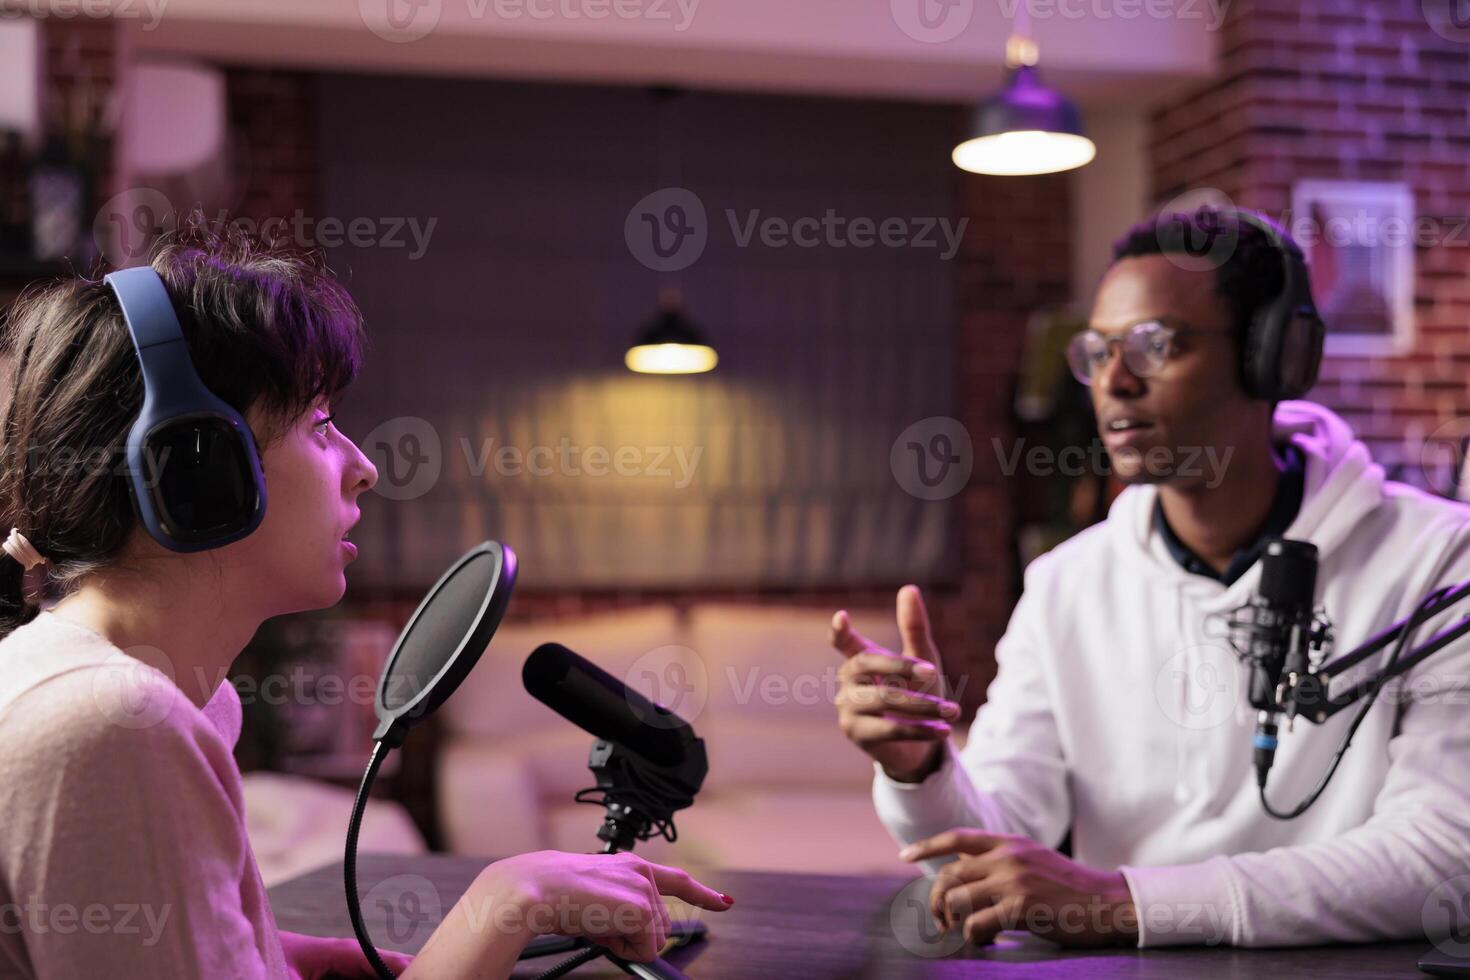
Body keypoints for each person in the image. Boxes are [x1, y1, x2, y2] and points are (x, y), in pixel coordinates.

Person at [0, 228, 733, 979]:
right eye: (320, 425)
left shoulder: (146, 696)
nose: (364, 467)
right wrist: (515, 899)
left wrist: (270, 956)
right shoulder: (112, 726)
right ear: (200, 470)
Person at [831, 207, 1470, 949]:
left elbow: (1448, 856)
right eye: (1098, 351)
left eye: (1154, 345)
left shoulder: (1441, 563)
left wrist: (1123, 903)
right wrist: (921, 768)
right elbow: (986, 848)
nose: (1114, 382)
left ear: (1274, 358)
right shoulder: (1068, 582)